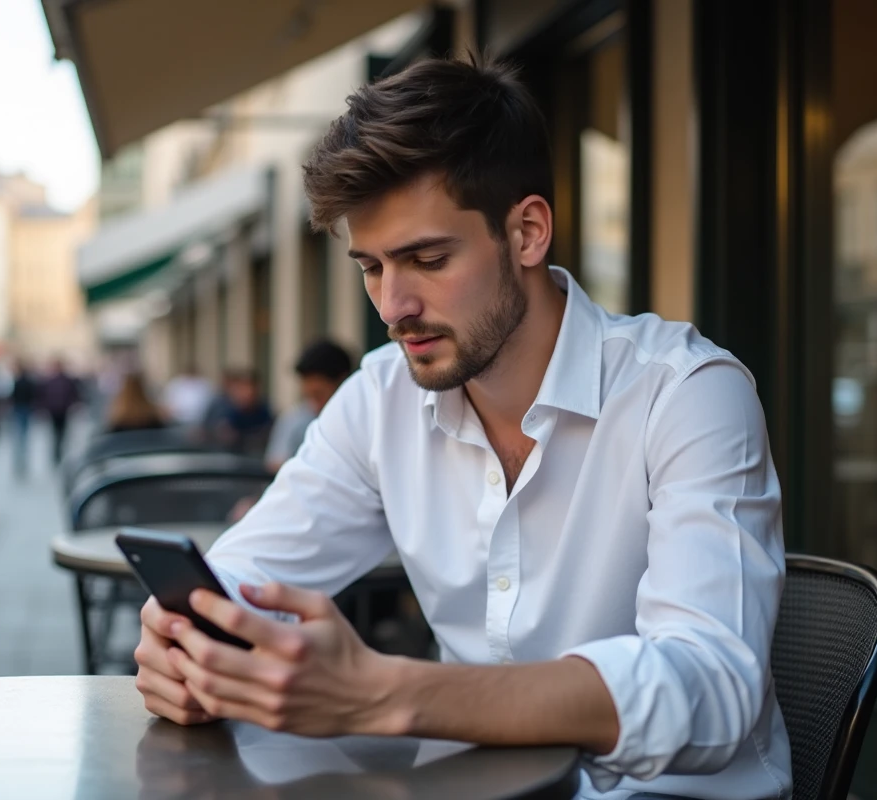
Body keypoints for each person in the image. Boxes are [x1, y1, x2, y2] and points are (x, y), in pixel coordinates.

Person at [133, 57, 789, 800]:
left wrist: (385, 693)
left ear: (528, 232)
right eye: (371, 268)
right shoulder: (379, 397)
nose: (392, 306)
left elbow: (711, 684)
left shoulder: (688, 393)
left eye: (427, 259)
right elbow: (242, 578)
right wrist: (186, 641)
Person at [264, 340, 354, 472]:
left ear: (341, 382)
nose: (314, 404)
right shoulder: (294, 419)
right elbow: (275, 463)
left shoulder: (357, 420)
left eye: (319, 395)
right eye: (308, 396)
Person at [207, 369, 273, 457]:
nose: (248, 393)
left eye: (251, 388)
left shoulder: (264, 412)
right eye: (243, 388)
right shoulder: (221, 410)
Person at [40, 357, 81, 464]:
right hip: (54, 410)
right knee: (55, 434)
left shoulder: (66, 380)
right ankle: (56, 455)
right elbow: (43, 396)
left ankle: (60, 453)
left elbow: (74, 394)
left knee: (62, 434)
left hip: (63, 410)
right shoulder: (49, 381)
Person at [163, 365, 215, 435]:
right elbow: (167, 403)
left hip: (199, 423)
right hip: (177, 421)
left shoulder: (204, 384)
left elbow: (210, 402)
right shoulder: (176, 383)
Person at [9, 359, 37, 476]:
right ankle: (22, 460)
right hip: (25, 409)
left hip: (19, 409)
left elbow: (13, 396)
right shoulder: (27, 381)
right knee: (23, 436)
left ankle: (20, 460)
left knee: (19, 435)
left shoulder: (18, 381)